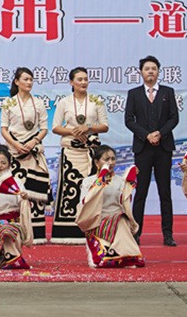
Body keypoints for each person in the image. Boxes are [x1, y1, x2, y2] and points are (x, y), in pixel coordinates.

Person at [124, 55, 179, 246]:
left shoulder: (167, 92)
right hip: (143, 149)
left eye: (154, 69)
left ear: (158, 72)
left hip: (164, 148)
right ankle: (136, 232)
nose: (150, 72)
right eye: (147, 69)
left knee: (165, 193)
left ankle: (168, 234)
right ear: (141, 72)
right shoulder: (134, 94)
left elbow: (174, 118)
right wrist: (146, 135)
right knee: (140, 193)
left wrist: (160, 134)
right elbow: (129, 120)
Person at [51, 66, 108, 244]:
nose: (83, 82)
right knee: (69, 191)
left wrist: (88, 128)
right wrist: (73, 131)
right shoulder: (64, 102)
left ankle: (92, 228)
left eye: (85, 79)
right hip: (70, 152)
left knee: (92, 191)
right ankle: (65, 232)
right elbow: (55, 127)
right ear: (71, 82)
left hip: (90, 152)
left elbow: (104, 126)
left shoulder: (96, 101)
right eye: (79, 79)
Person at [0, 67, 51, 244]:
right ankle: (15, 232)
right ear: (17, 82)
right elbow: (4, 129)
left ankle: (37, 235)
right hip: (15, 153)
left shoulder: (39, 103)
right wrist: (16, 145)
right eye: (26, 79)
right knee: (15, 194)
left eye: (31, 79)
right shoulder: (8, 103)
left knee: (34, 195)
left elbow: (44, 128)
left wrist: (33, 142)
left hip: (33, 152)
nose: (29, 82)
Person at [75, 145, 145, 268]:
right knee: (101, 260)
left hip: (116, 221)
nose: (111, 162)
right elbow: (85, 204)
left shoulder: (120, 181)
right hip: (96, 222)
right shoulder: (88, 181)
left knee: (122, 219)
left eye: (113, 159)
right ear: (97, 162)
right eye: (106, 159)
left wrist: (129, 186)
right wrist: (99, 182)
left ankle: (128, 255)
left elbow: (125, 203)